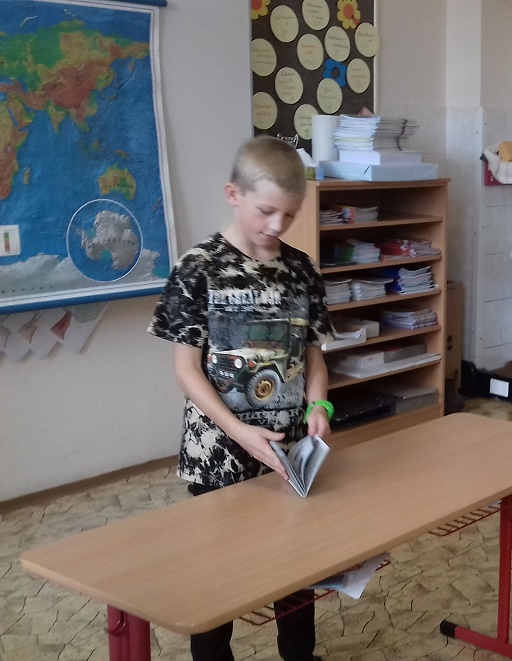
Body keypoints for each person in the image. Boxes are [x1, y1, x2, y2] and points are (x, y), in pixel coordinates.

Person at [148, 136, 332, 661]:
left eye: (289, 214)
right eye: (266, 211)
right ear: (234, 194)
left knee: (294, 569)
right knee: (219, 577)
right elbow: (186, 370)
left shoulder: (301, 270)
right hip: (219, 454)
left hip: (289, 451)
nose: (277, 225)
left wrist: (319, 405)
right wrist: (240, 432)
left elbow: (313, 357)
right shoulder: (198, 268)